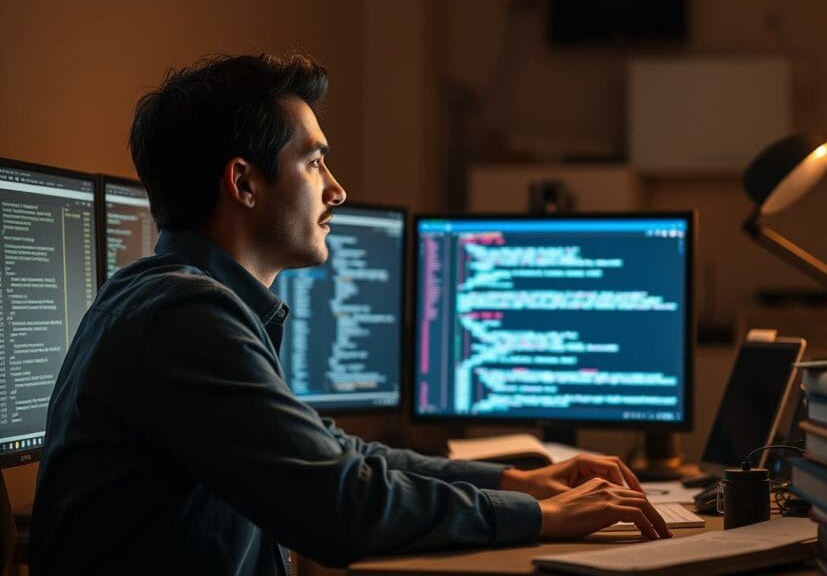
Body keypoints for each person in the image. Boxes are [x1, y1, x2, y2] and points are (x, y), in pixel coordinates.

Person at [29, 53, 670, 575]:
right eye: (313, 162)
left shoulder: (174, 299)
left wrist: (521, 481)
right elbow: (340, 505)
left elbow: (336, 455)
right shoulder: (184, 314)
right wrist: (538, 518)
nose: (337, 189)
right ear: (244, 184)